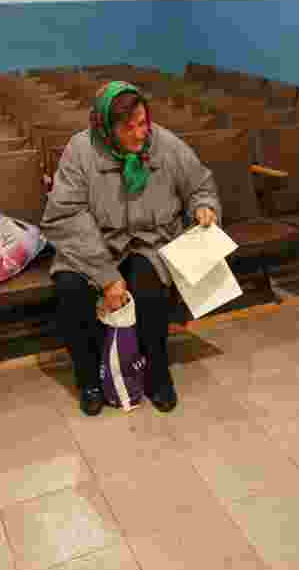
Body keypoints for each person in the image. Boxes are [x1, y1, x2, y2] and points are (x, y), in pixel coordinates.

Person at [41, 81, 220, 416]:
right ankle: (89, 377)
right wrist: (106, 276)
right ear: (106, 129)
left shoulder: (164, 144)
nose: (140, 134)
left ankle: (156, 371)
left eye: (143, 123)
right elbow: (66, 215)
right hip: (93, 243)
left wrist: (203, 207)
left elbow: (199, 185)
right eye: (129, 128)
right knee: (71, 290)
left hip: (148, 241)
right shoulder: (80, 151)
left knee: (149, 285)